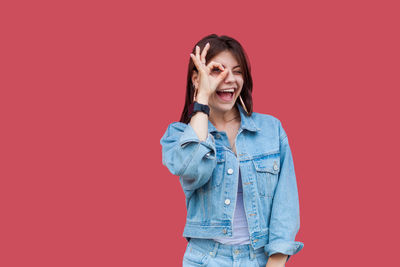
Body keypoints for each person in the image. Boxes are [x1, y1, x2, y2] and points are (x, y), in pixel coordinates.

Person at [160, 34, 304, 267]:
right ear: (197, 79)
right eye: (217, 71)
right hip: (204, 259)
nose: (230, 79)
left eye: (237, 71)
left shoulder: (271, 129)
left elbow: (286, 202)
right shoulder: (178, 135)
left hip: (258, 259)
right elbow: (192, 168)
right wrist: (202, 99)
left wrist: (276, 261)